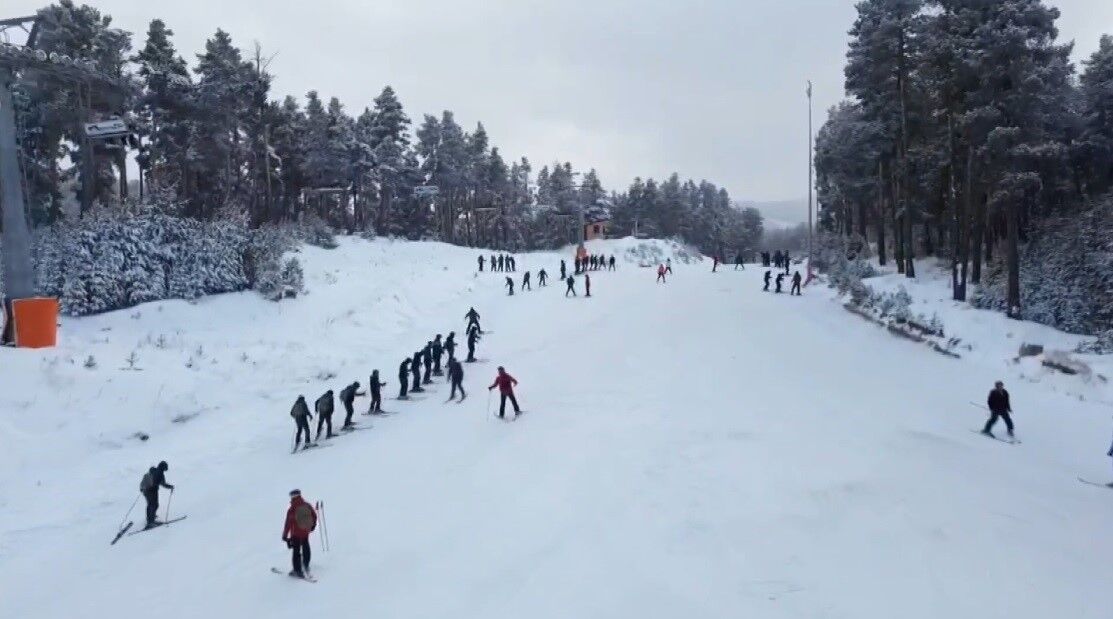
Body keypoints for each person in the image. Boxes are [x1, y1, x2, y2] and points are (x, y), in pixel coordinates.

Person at [282, 489, 317, 580]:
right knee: (306, 546)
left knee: (296, 551)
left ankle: (297, 571)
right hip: (305, 531)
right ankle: (306, 564)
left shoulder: (292, 509)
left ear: (293, 496)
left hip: (296, 533)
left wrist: (285, 535)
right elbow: (314, 515)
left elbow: (288, 523)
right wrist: (313, 525)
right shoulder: (307, 505)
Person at [139, 461, 174, 529]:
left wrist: (143, 488)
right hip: (152, 491)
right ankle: (151, 522)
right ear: (164, 467)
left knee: (150, 504)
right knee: (154, 505)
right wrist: (170, 487)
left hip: (145, 491)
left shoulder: (152, 471)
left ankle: (150, 519)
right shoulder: (160, 473)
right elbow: (163, 484)